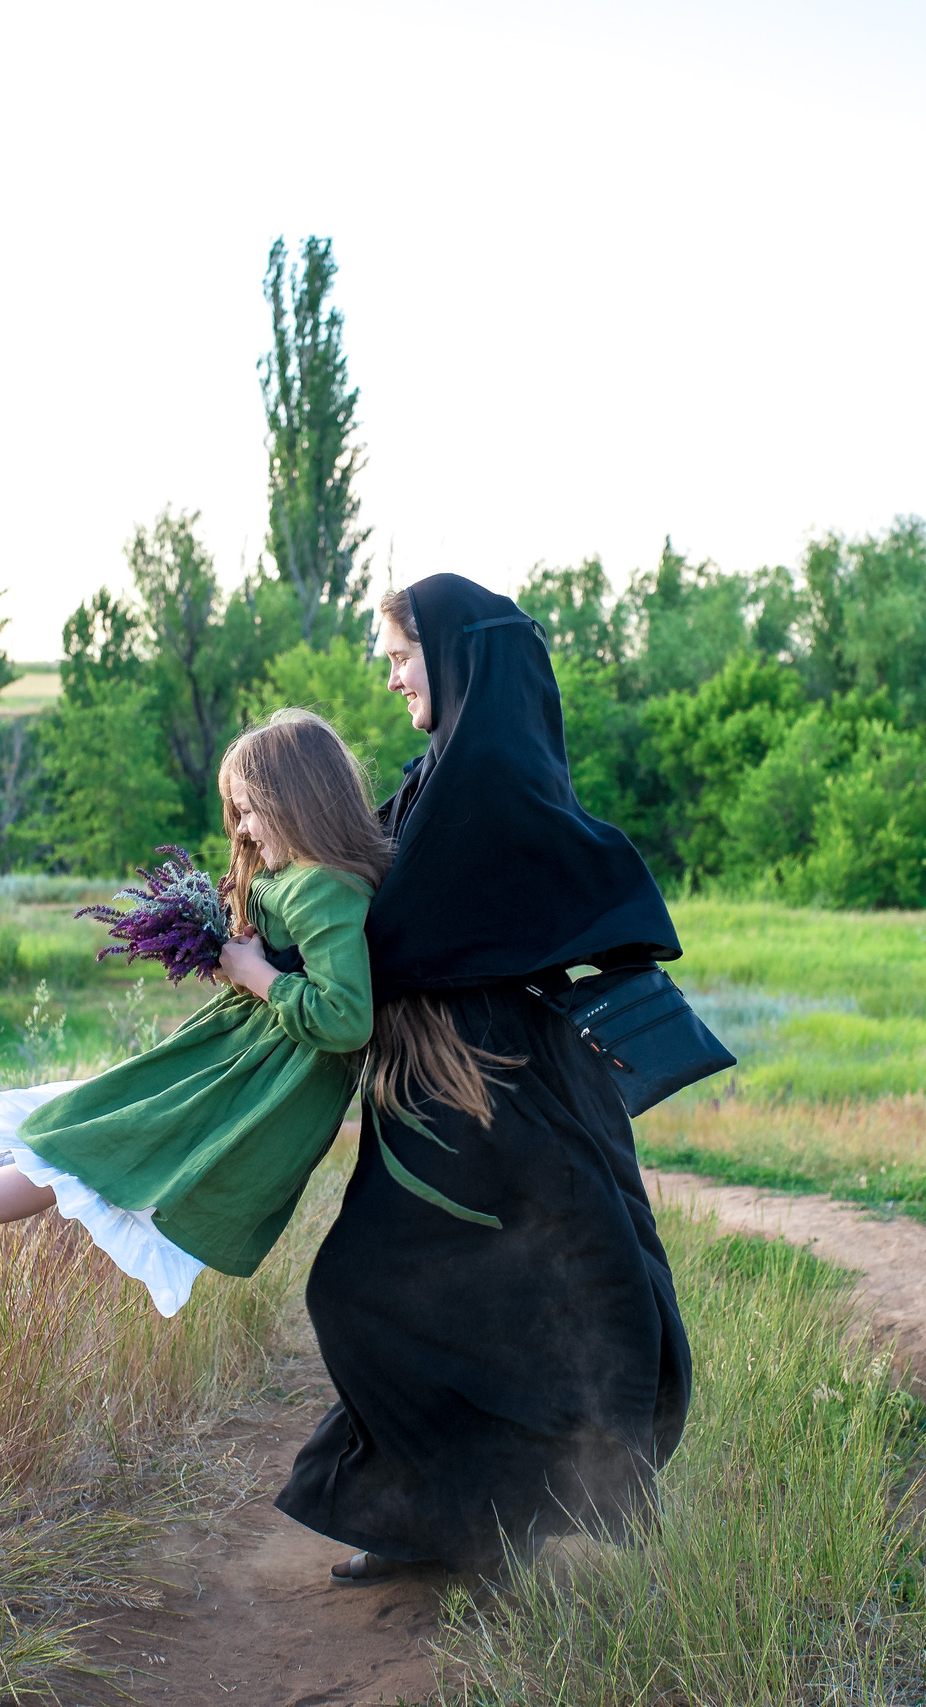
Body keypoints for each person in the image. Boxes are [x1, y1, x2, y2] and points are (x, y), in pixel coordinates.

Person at [276, 574, 693, 1581]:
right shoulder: (438, 775)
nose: (390, 677)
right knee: (403, 1294)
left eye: (401, 655)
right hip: (443, 1092)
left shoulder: (493, 783)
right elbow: (365, 898)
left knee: (426, 1287)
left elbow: (401, 929)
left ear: (455, 656)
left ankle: (499, 1517)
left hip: (499, 1089)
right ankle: (448, 1527)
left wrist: (275, 965)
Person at [0, 709, 385, 1317]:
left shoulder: (326, 888)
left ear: (299, 800)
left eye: (251, 811)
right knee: (85, 1118)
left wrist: (256, 975)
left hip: (252, 1093)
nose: (244, 829)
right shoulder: (295, 876)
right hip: (230, 1069)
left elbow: (344, 1018)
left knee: (84, 1149)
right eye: (237, 813)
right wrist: (236, 962)